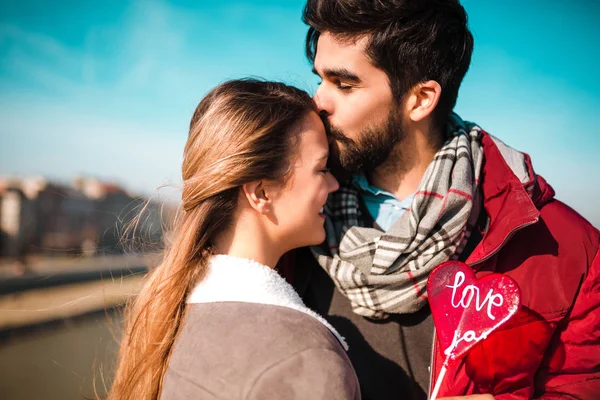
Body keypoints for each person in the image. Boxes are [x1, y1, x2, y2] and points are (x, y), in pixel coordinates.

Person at [282, 0, 600, 399]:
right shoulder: (292, 211)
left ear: (421, 99)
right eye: (320, 80)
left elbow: (578, 386)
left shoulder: (567, 249)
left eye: (344, 84)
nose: (319, 102)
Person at [109, 79, 361, 400]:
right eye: (322, 169)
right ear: (261, 193)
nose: (334, 186)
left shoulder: (170, 321)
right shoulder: (302, 356)